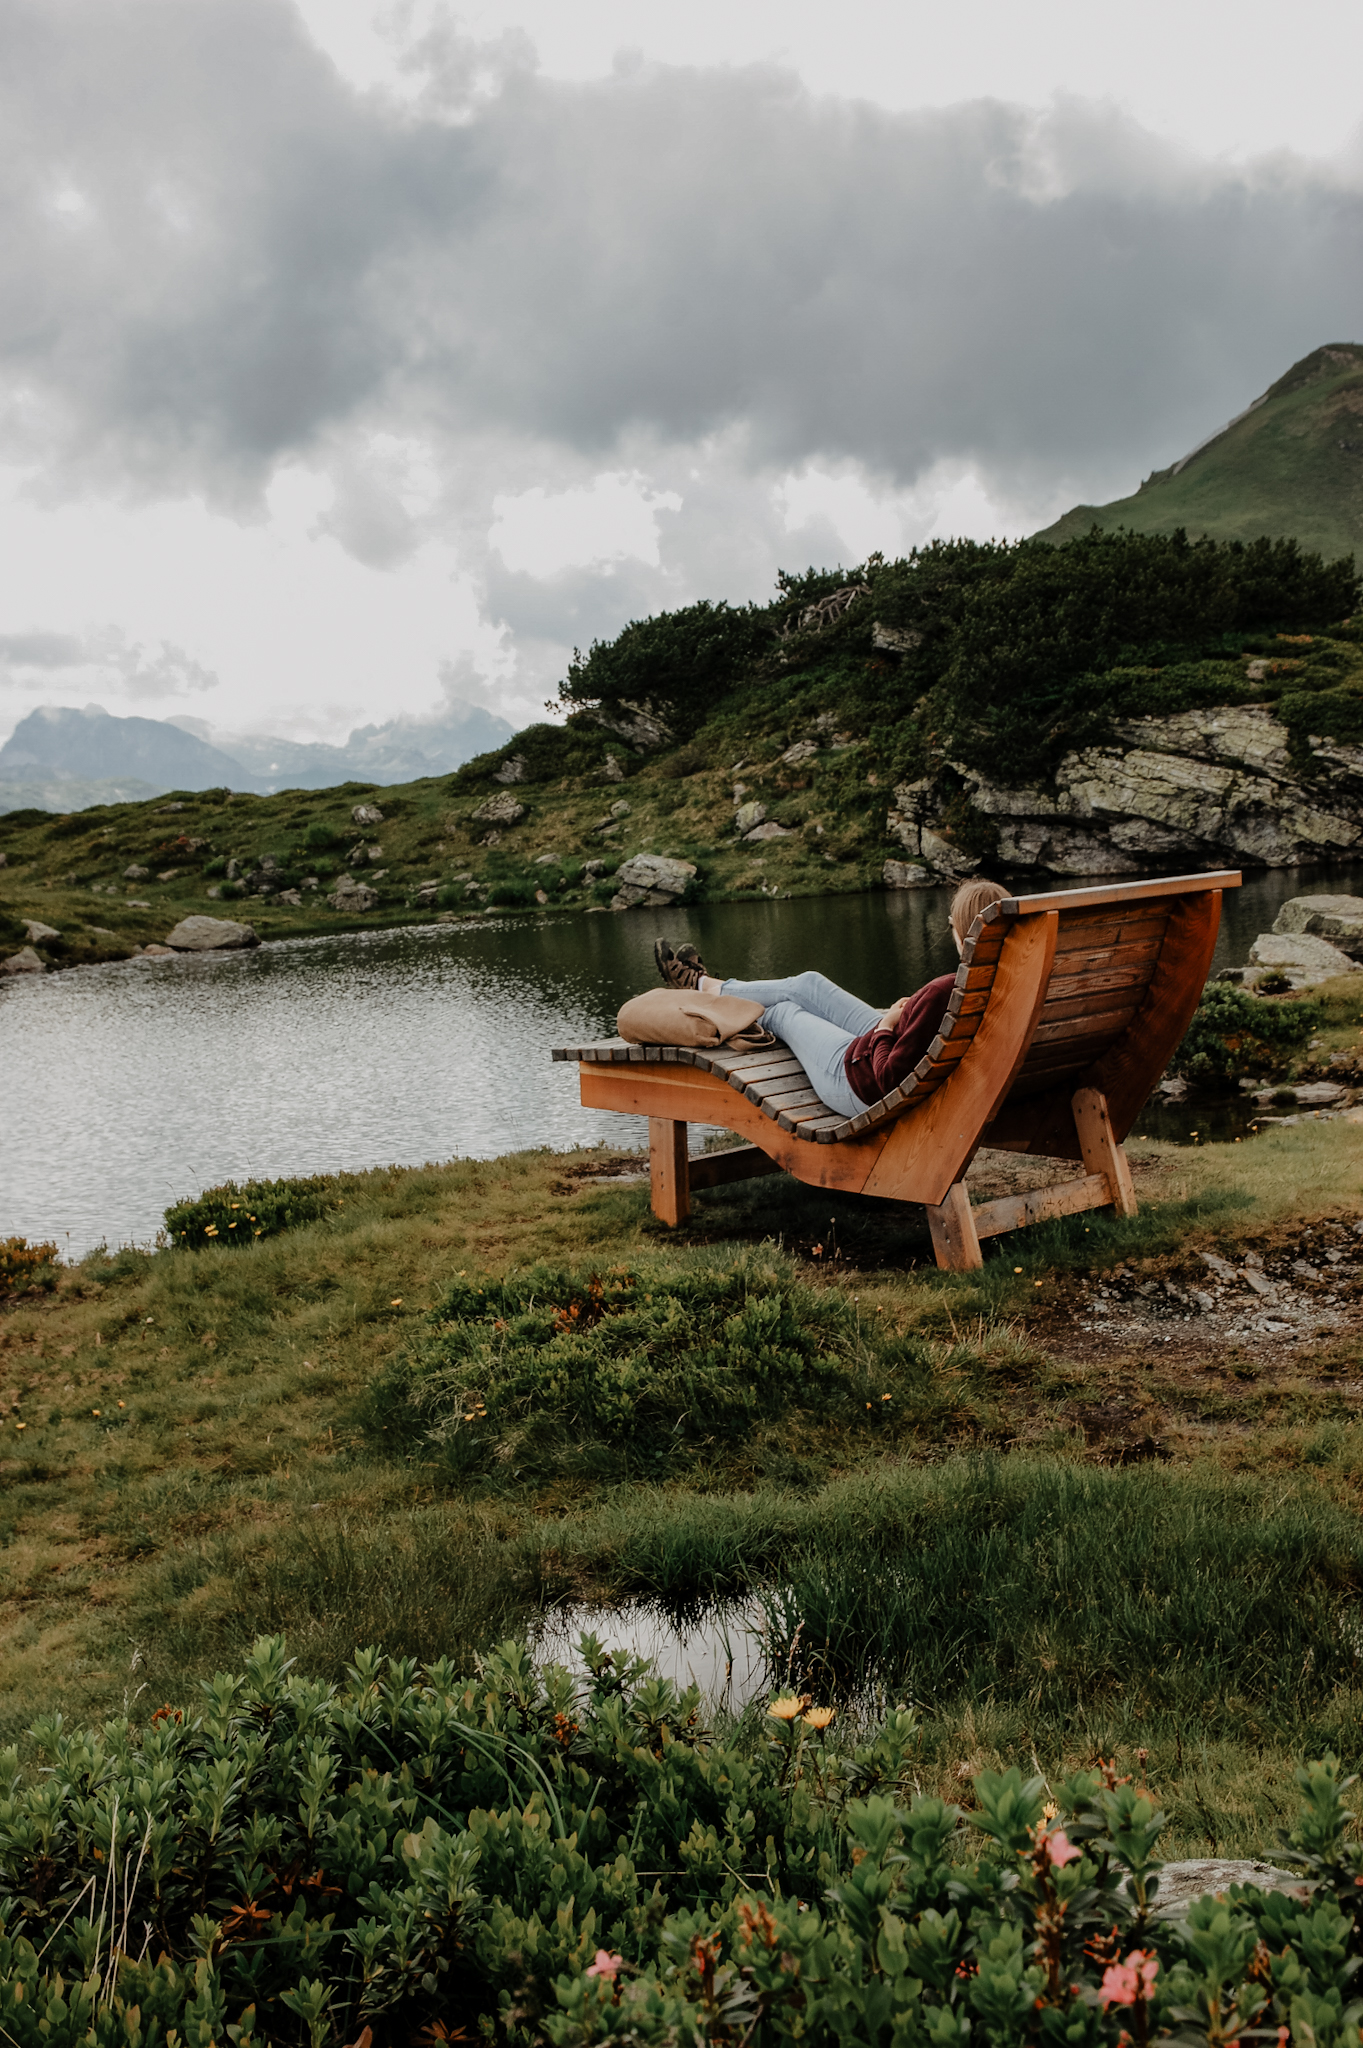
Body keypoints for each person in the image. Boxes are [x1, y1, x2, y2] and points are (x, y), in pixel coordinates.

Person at [653, 877, 1010, 1119]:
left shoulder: (945, 991)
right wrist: (907, 1016)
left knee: (784, 1012)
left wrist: (887, 1026)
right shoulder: (1007, 982)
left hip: (858, 1083)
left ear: (960, 932)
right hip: (901, 1055)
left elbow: (887, 1081)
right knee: (808, 984)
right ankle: (703, 985)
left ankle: (701, 998)